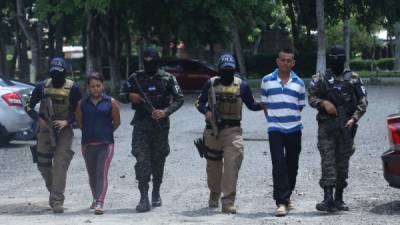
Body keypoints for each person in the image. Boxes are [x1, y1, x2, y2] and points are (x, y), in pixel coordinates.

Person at [195, 53, 263, 214]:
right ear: (219, 69)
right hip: (212, 132)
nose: (227, 71)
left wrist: (265, 105)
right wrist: (206, 112)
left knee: (232, 164)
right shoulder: (210, 84)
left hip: (233, 131)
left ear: (234, 69)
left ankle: (228, 201)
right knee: (213, 167)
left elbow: (251, 104)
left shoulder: (242, 85)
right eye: (225, 69)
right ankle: (214, 192)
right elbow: (199, 102)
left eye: (230, 69)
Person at [119, 47, 184, 213]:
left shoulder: (168, 78)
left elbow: (179, 98)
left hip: (160, 127)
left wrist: (165, 112)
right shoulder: (135, 78)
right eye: (145, 60)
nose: (149, 63)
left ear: (157, 60)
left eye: (152, 60)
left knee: (158, 160)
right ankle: (143, 197)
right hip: (141, 125)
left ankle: (156, 191)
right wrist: (129, 97)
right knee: (142, 161)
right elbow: (121, 95)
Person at [308, 45, 367, 212]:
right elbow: (311, 97)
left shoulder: (354, 78)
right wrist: (323, 103)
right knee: (328, 161)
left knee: (342, 163)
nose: (336, 61)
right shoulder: (321, 78)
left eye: (339, 58)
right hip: (326, 127)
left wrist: (354, 118)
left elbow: (363, 102)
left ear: (344, 59)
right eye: (334, 58)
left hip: (346, 127)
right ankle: (327, 198)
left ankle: (339, 198)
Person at [24, 57, 82, 213]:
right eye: (53, 72)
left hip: (64, 130)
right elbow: (28, 106)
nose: (56, 75)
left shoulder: (73, 88)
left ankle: (57, 200)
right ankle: (53, 191)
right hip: (44, 130)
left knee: (60, 165)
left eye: (59, 72)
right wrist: (39, 119)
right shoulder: (42, 87)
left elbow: (79, 110)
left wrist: (67, 122)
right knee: (43, 164)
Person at [260, 49, 306, 217]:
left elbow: (300, 105)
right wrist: (273, 120)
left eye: (289, 60)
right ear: (277, 61)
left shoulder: (299, 82)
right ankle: (281, 201)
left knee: (292, 165)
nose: (286, 63)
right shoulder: (266, 80)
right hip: (275, 130)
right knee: (279, 165)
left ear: (293, 63)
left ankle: (287, 197)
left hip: (294, 129)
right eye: (283, 60)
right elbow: (264, 104)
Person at [75, 72, 120, 215]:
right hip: (87, 144)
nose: (96, 89)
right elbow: (80, 123)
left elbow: (117, 122)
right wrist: (90, 132)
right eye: (92, 86)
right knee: (92, 174)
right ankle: (95, 198)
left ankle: (100, 202)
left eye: (98, 85)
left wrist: (105, 132)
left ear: (103, 85)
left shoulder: (110, 102)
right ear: (88, 87)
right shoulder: (82, 104)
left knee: (101, 173)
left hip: (106, 144)